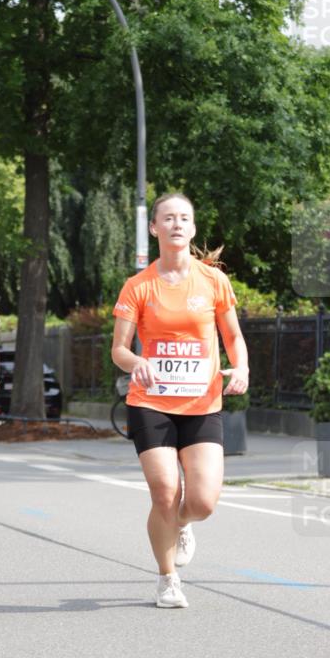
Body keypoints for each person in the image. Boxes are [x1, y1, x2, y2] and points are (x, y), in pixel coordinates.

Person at [112, 193, 248, 608]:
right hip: (150, 402)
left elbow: (233, 337)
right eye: (167, 218)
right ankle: (167, 579)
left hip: (202, 404)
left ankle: (183, 525)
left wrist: (240, 367)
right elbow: (118, 349)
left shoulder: (212, 281)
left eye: (184, 218)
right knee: (165, 492)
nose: (176, 224)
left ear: (192, 228)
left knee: (203, 502)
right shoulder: (138, 286)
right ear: (154, 228)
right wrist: (137, 361)